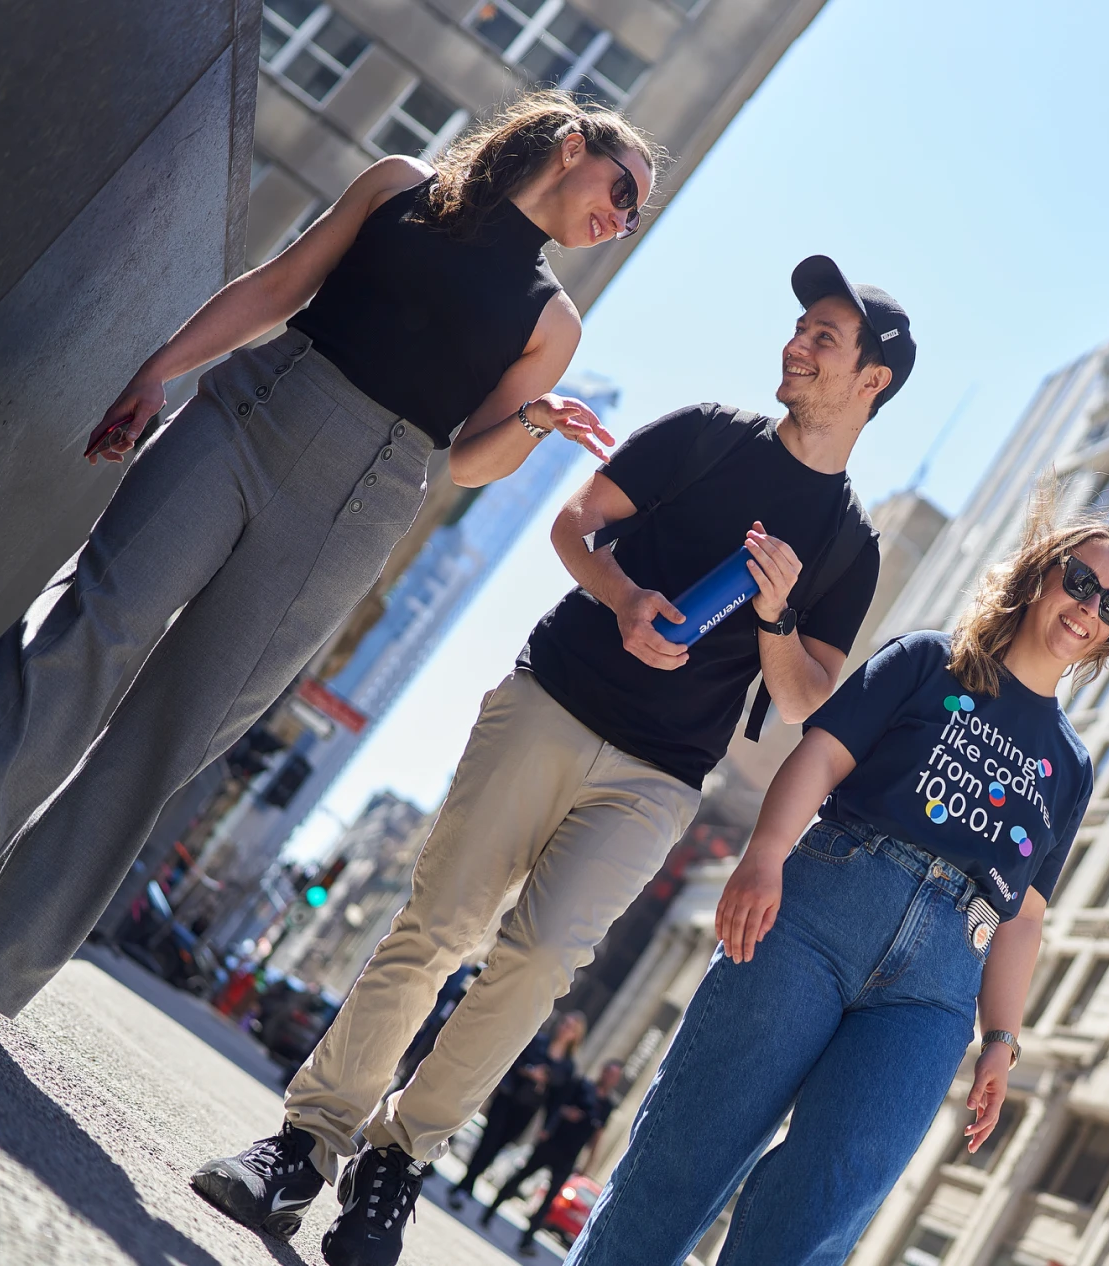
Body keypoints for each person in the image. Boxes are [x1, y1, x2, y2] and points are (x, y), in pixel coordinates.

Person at [190, 256, 915, 1266]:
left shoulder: (849, 543)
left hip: (658, 778)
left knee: (535, 967)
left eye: (825, 339)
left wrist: (779, 611)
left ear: (873, 380)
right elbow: (578, 525)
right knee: (438, 926)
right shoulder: (706, 432)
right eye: (800, 329)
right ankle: (303, 1145)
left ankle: (397, 1158)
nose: (797, 344)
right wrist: (623, 601)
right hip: (551, 700)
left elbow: (802, 697)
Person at [0, 90, 658, 1024]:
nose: (621, 219)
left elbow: (468, 459)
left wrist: (534, 426)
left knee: (172, 730)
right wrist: (158, 372)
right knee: (82, 630)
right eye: (622, 189)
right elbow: (278, 286)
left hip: (361, 501)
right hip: (248, 413)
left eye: (637, 216)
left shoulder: (553, 324)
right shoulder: (401, 187)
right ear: (572, 144)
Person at [565, 511, 1109, 1266]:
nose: (1089, 607)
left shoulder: (1070, 767)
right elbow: (821, 755)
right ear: (1041, 575)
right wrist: (764, 855)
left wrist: (1001, 1040)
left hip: (936, 990)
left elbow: (1024, 919)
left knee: (819, 1213)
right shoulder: (928, 660)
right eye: (1080, 582)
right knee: (692, 1147)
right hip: (817, 914)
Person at [446, 1010, 585, 1205]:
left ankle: (468, 1181)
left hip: (527, 1110)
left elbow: (556, 1100)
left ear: (575, 1036)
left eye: (570, 1027)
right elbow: (514, 1061)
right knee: (488, 1140)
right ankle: (466, 1185)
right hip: (508, 1097)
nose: (564, 1028)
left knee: (498, 1146)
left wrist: (547, 1127)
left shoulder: (568, 1066)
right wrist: (530, 1071)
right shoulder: (538, 1041)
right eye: (564, 1023)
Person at [486, 1060, 621, 1256]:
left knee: (549, 1199)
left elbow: (597, 1135)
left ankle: (526, 1240)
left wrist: (589, 1165)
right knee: (519, 1177)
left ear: (616, 1080)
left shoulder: (607, 1105)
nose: (609, 1078)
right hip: (551, 1145)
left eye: (614, 1076)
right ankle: (489, 1211)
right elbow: (556, 1105)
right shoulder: (581, 1085)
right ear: (602, 1071)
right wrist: (559, 1119)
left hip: (569, 1156)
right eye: (608, 1072)